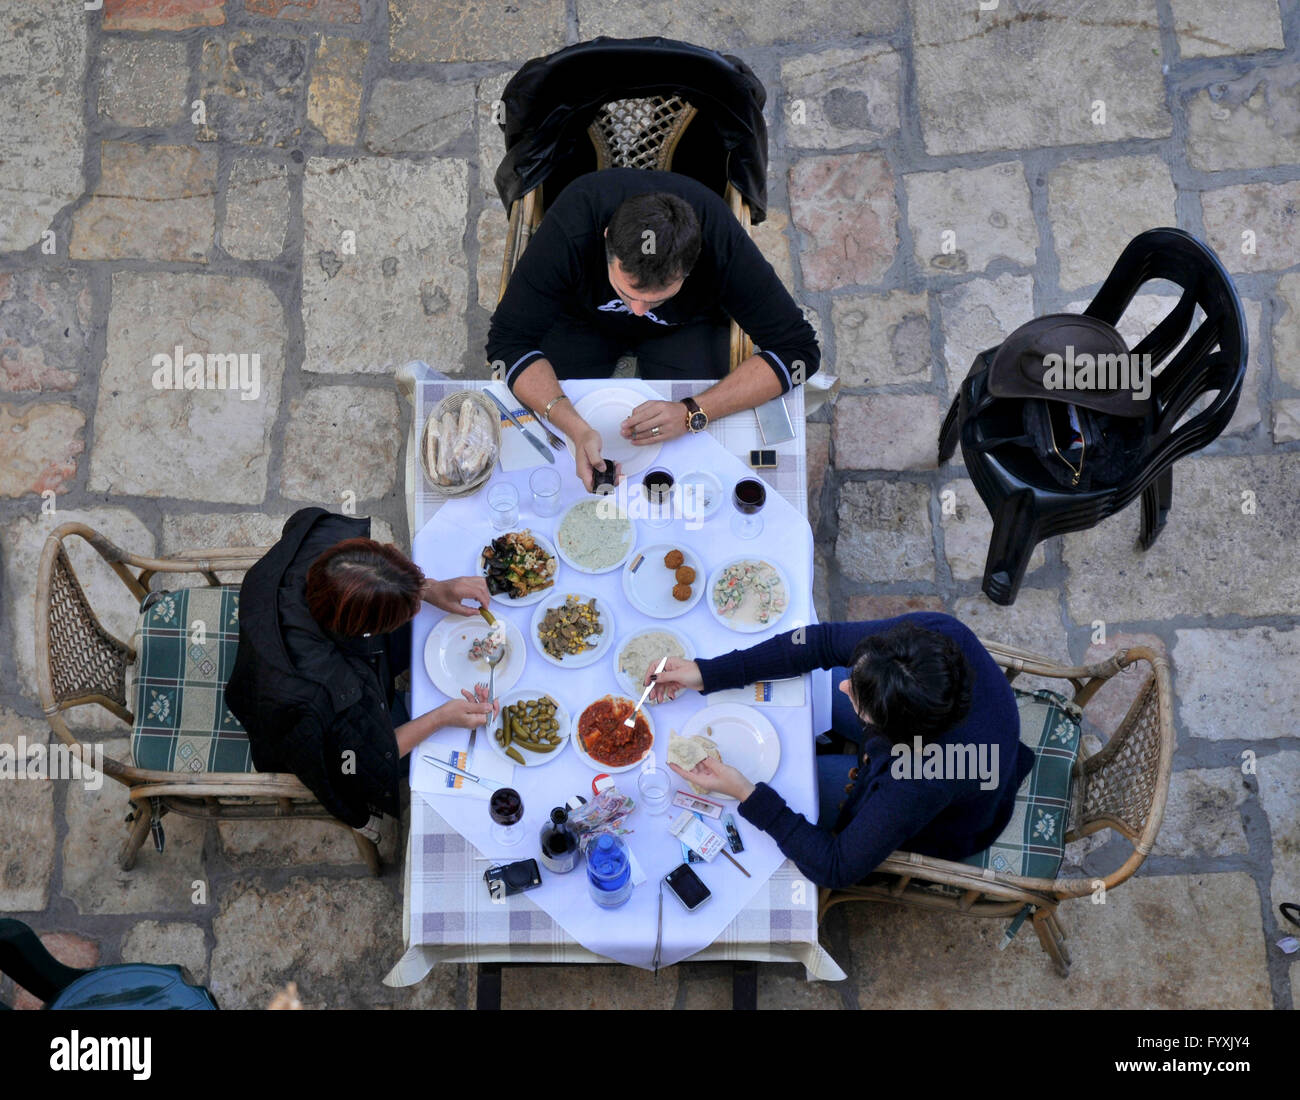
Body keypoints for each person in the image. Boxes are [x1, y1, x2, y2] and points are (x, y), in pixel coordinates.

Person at [486, 167, 821, 489]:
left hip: (684, 328)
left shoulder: (718, 238)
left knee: (689, 462)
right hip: (581, 321)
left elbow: (799, 352)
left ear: (692, 265)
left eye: (656, 300)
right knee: (550, 455)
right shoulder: (573, 223)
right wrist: (573, 426)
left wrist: (694, 412)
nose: (637, 311)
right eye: (627, 294)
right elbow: (507, 342)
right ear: (607, 241)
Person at [655, 613, 1036, 889]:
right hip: (928, 736)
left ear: (890, 734)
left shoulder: (920, 776)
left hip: (953, 816)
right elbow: (819, 643)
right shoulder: (936, 637)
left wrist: (746, 793)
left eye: (857, 696)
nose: (843, 687)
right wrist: (710, 672)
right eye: (858, 675)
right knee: (810, 686)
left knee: (790, 784)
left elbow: (835, 868)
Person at [224, 507, 499, 838]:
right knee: (443, 747)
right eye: (404, 612)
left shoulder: (322, 539)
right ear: (365, 632)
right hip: (303, 729)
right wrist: (440, 718)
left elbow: (378, 570)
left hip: (278, 633)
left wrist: (428, 588)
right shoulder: (324, 695)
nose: (415, 609)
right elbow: (364, 760)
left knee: (422, 628)